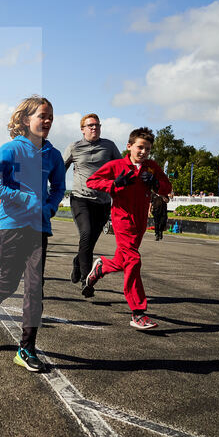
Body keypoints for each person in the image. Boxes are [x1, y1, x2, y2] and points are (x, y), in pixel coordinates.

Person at [0, 96, 65, 373]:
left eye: (50, 117)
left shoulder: (54, 156)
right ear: (26, 120)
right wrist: (22, 198)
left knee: (35, 288)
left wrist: (50, 206)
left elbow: (58, 187)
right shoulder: (10, 150)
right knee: (8, 282)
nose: (47, 121)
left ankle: (26, 348)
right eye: (41, 116)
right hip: (11, 225)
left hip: (39, 228)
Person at [83, 127, 172, 330]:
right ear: (129, 146)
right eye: (140, 147)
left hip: (140, 222)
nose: (143, 152)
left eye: (147, 149)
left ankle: (101, 268)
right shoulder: (116, 165)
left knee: (123, 261)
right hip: (122, 220)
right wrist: (114, 184)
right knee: (133, 260)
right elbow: (92, 180)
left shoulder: (151, 167)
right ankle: (138, 312)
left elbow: (167, 187)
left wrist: (156, 183)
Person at [63, 113, 122, 283]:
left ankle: (77, 261)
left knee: (90, 242)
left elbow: (122, 168)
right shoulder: (74, 147)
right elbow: (60, 169)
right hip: (81, 199)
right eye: (90, 125)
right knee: (86, 234)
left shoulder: (109, 146)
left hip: (103, 202)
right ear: (82, 129)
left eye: (97, 125)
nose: (94, 128)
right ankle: (86, 278)